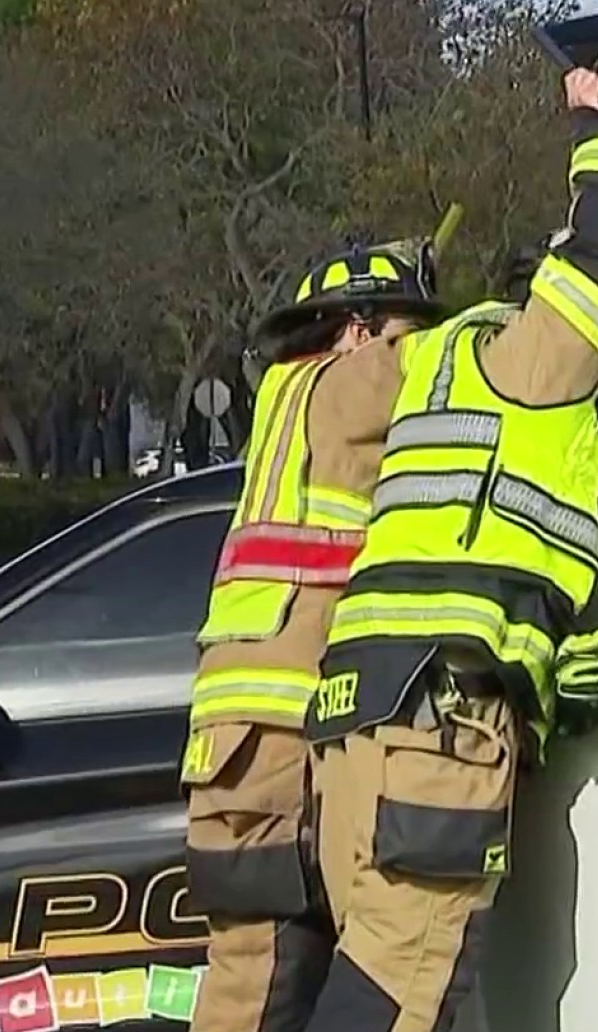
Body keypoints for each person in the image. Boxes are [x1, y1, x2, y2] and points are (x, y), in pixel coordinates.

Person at [297, 67, 598, 1032]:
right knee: (397, 1002)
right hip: (438, 730)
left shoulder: (440, 365)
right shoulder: (536, 365)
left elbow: (526, 561)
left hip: (358, 726)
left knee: (403, 988)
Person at [179, 235, 450, 1032]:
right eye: (397, 329)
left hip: (249, 742)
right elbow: (450, 365)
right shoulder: (336, 384)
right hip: (273, 740)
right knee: (260, 988)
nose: (404, 345)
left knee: (272, 980)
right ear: (358, 331)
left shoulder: (285, 396)